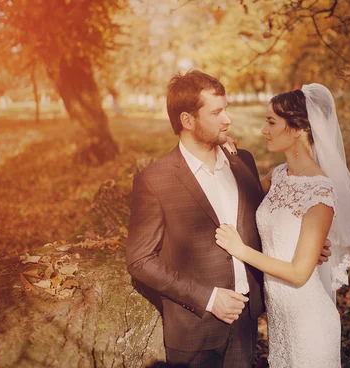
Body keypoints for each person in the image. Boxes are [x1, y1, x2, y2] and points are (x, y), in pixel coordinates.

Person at [126, 71, 331, 368]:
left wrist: (308, 244)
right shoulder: (155, 180)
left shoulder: (243, 161)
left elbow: (264, 220)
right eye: (217, 112)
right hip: (195, 332)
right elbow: (140, 260)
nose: (228, 119)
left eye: (226, 108)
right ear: (187, 120)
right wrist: (207, 298)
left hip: (247, 324)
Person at [215, 84, 350, 367]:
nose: (264, 130)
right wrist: (227, 156)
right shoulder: (279, 175)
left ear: (299, 128)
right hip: (280, 323)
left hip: (309, 325)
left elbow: (299, 273)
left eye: (272, 122)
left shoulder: (320, 190)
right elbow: (243, 198)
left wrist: (240, 250)